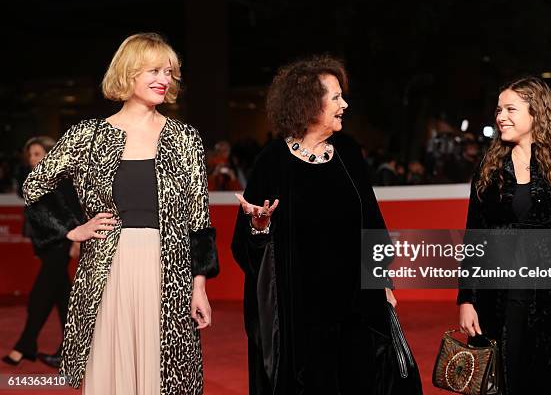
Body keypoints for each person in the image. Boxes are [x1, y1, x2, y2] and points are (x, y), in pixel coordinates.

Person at [22, 33, 218, 394]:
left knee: (169, 374)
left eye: (170, 71)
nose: (165, 79)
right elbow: (35, 187)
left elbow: (198, 220)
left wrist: (199, 285)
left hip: (169, 271)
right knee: (113, 370)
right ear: (128, 73)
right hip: (107, 270)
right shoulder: (89, 136)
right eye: (154, 70)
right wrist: (71, 229)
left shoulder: (185, 138)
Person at [231, 55, 422, 394]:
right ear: (308, 105)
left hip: (355, 308)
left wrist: (383, 281)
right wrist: (260, 227)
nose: (344, 104)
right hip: (299, 316)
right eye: (335, 97)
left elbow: (372, 222)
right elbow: (245, 247)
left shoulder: (348, 152)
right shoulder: (272, 162)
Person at [458, 77, 551, 394]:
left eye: (510, 109)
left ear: (536, 113)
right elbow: (474, 237)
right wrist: (467, 298)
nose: (500, 117)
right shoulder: (489, 168)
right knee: (501, 380)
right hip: (497, 298)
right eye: (498, 109)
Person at [2, 137, 82, 368]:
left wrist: (76, 239)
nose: (32, 159)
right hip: (47, 244)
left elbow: (75, 209)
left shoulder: (62, 178)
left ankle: (25, 345)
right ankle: (71, 353)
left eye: (37, 154)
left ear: (49, 153)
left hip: (62, 241)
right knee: (62, 298)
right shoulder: (33, 180)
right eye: (30, 155)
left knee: (40, 296)